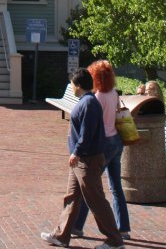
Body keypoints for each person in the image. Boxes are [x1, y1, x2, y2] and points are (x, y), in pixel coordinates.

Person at [41, 68, 124, 249]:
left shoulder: (89, 104)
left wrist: (76, 152)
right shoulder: (87, 101)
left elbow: (87, 134)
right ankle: (61, 235)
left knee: (95, 200)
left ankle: (115, 240)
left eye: (72, 84)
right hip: (80, 161)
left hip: (87, 160)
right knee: (72, 197)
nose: (71, 87)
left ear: (78, 85)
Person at [70, 61, 130, 240]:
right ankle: (123, 228)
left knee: (91, 187)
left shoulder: (97, 98)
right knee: (116, 187)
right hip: (117, 141)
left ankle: (77, 226)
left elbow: (92, 125)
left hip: (104, 145)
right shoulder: (113, 93)